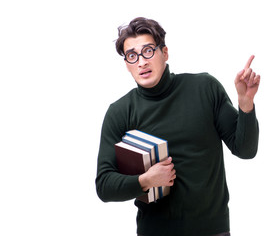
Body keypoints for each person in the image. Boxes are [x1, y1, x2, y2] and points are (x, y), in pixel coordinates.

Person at [96, 17, 260, 236]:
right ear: (127, 64)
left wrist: (245, 103)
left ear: (165, 53)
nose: (142, 62)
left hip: (212, 231)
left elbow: (246, 150)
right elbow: (104, 185)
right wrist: (145, 180)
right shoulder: (120, 112)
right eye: (132, 56)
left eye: (148, 51)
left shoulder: (204, 88)